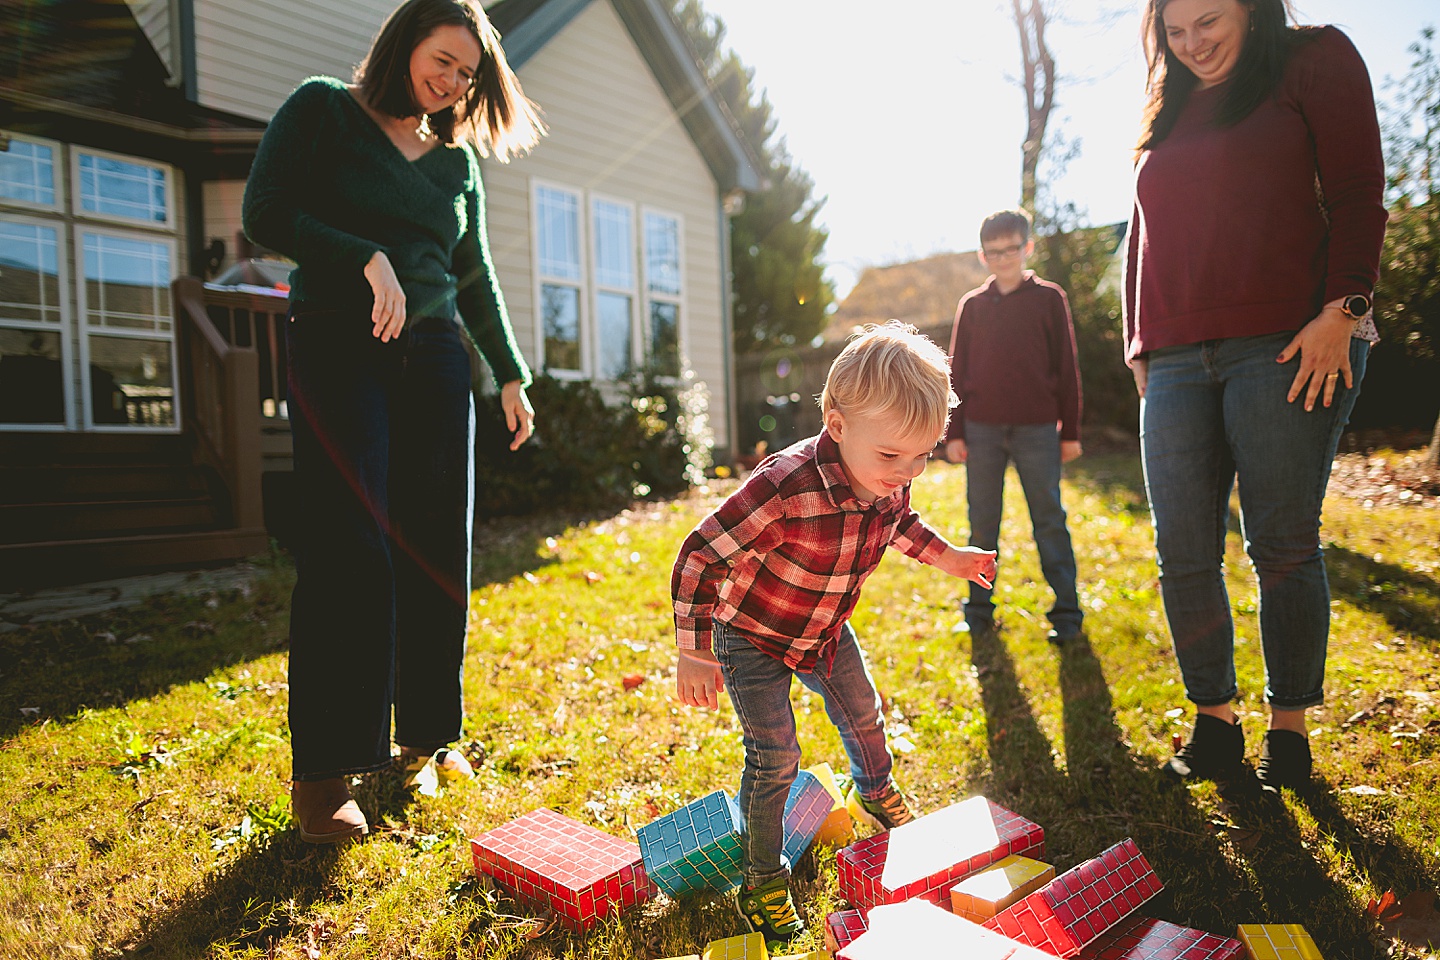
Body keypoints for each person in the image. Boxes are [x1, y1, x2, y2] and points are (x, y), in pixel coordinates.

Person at [242, 0, 545, 843]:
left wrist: (511, 375)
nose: (450, 84)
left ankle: (424, 738)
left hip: (439, 359)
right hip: (341, 342)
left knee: (437, 544)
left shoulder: (455, 164)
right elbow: (264, 214)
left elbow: (473, 272)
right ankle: (326, 773)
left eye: (466, 75)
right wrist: (363, 255)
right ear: (405, 41)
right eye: (442, 61)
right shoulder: (321, 111)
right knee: (350, 543)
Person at [1124, 0, 1386, 793]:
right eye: (1176, 31)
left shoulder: (1314, 59)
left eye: (1209, 21)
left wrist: (1346, 311)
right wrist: (1139, 345)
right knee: (1183, 556)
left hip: (1285, 345)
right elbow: (1141, 230)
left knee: (1282, 547)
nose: (1193, 42)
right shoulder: (1168, 106)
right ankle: (1214, 721)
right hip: (1171, 360)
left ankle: (1291, 732)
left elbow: (1358, 190)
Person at [672, 321, 998, 946]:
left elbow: (902, 524)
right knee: (776, 759)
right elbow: (699, 555)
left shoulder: (884, 482)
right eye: (892, 456)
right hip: (751, 637)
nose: (905, 474)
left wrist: (951, 557)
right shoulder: (785, 484)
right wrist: (695, 648)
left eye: (921, 457)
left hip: (823, 630)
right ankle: (762, 878)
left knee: (865, 713)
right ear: (839, 424)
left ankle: (874, 793)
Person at [945, 209, 1084, 644]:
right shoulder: (971, 306)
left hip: (1037, 428)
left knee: (1049, 517)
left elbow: (1066, 367)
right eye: (993, 251)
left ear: (1027, 248)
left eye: (1011, 249)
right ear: (982, 255)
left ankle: (1067, 614)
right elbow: (956, 372)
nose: (1003, 258)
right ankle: (979, 612)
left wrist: (1071, 431)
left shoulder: (1049, 298)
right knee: (982, 522)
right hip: (983, 429)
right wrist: (955, 432)